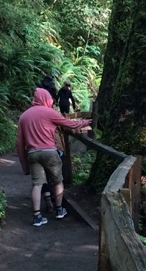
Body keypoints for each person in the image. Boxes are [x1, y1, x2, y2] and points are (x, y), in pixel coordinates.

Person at [16, 87, 91, 226]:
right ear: (46, 98)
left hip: (32, 153)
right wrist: (85, 122)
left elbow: (19, 142)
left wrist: (24, 163)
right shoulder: (49, 113)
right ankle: (59, 210)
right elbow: (69, 124)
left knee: (37, 184)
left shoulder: (24, 116)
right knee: (58, 181)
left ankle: (37, 216)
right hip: (49, 152)